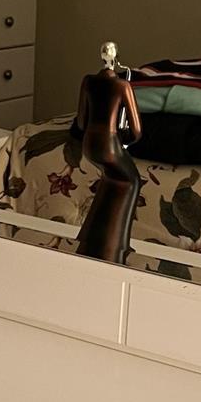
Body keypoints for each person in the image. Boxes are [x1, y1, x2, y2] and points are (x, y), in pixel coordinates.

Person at [74, 42, 143, 264]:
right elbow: (137, 131)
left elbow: (81, 122)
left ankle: (91, 240)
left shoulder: (88, 81)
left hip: (89, 144)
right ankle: (116, 245)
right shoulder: (122, 85)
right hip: (109, 144)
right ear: (116, 58)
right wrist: (123, 141)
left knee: (111, 180)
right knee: (131, 181)